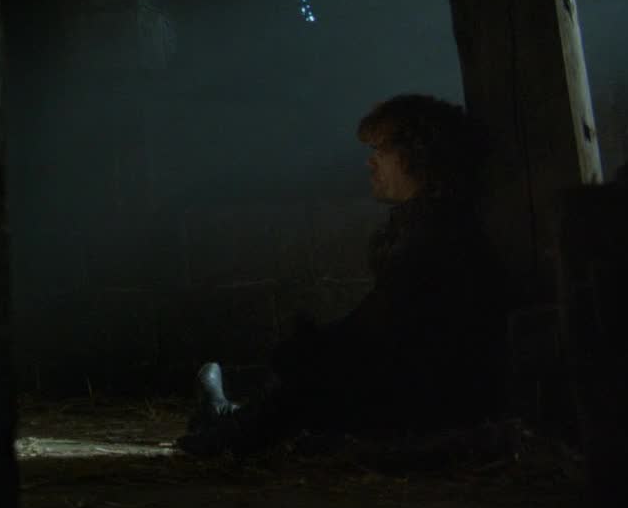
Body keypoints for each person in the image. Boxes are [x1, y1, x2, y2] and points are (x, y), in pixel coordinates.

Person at [177, 93, 506, 457]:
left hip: (431, 401)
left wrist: (310, 350)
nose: (370, 161)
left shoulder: (437, 237)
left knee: (315, 371)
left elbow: (375, 330)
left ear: (417, 155)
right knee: (312, 368)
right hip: (422, 390)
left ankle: (227, 425)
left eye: (380, 149)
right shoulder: (423, 227)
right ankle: (229, 418)